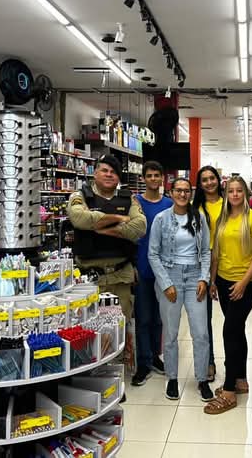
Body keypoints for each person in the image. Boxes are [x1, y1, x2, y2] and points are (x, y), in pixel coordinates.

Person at [204, 176, 252, 415]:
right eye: (231, 191)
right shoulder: (222, 218)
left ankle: (229, 391)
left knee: (229, 331)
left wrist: (243, 282)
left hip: (245, 283)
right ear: (226, 194)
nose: (235, 195)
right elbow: (216, 253)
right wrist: (212, 280)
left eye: (240, 191)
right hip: (223, 281)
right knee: (237, 330)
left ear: (246, 193)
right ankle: (240, 380)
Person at [148, 178, 214, 402]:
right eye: (179, 190)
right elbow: (153, 254)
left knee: (201, 333)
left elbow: (205, 251)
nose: (183, 194)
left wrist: (204, 278)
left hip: (195, 277)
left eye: (187, 191)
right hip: (170, 275)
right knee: (171, 333)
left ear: (191, 193)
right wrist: (166, 283)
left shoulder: (199, 218)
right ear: (171, 192)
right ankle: (172, 378)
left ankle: (202, 379)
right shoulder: (161, 219)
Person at [67, 153, 147, 336]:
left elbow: (139, 227)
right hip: (89, 280)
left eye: (113, 172)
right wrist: (118, 218)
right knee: (89, 335)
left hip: (120, 278)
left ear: (118, 177)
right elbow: (79, 218)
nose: (109, 174)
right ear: (95, 173)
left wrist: (102, 228)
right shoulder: (80, 196)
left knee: (121, 335)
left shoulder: (129, 198)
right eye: (104, 170)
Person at [132, 161, 173, 386]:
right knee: (143, 317)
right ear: (143, 178)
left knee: (159, 318)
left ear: (162, 178)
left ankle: (156, 356)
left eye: (157, 175)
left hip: (164, 270)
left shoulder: (169, 204)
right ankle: (143, 362)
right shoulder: (135, 203)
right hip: (142, 267)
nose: (154, 179)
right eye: (149, 175)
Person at [193, 165, 224, 382]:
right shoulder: (195, 207)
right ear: (200, 184)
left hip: (227, 262)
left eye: (212, 178)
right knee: (204, 319)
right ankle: (209, 362)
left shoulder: (229, 203)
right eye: (204, 180)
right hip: (202, 264)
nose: (209, 182)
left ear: (218, 180)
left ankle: (235, 367)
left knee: (232, 321)